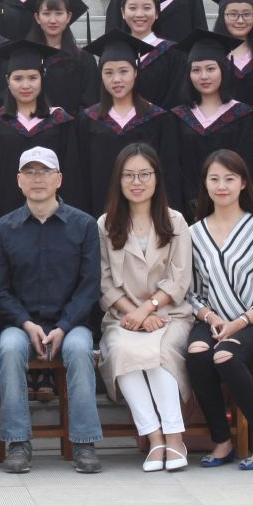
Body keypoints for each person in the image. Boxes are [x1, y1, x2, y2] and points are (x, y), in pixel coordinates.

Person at [0, 146, 104, 474]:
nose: (37, 179)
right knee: (10, 348)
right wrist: (26, 324)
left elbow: (89, 286)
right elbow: (0, 290)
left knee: (79, 349)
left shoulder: (83, 225)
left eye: (44, 172)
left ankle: (84, 443)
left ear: (59, 179)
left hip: (71, 323)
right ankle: (18, 443)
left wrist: (64, 326)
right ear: (19, 181)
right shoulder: (4, 228)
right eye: (29, 172)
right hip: (22, 324)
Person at [183, 150, 253, 471]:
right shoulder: (193, 233)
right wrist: (211, 317)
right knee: (197, 352)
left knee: (224, 355)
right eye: (214, 179)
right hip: (213, 320)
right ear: (205, 184)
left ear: (243, 183)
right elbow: (190, 293)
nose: (222, 186)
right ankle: (222, 441)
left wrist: (238, 323)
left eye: (229, 179)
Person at [98, 143, 195, 472]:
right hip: (122, 316)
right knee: (121, 351)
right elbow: (105, 282)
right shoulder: (106, 224)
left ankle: (175, 437)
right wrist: (134, 313)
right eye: (128, 175)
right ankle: (154, 438)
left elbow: (180, 278)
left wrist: (149, 309)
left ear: (156, 178)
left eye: (144, 174)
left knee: (160, 353)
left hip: (169, 314)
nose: (136, 182)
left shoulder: (175, 221)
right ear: (118, 180)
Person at [172, 31, 253, 220]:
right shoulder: (178, 117)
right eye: (196, 70)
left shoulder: (242, 115)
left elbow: (249, 166)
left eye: (211, 69)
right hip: (189, 211)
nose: (203, 76)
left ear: (223, 70)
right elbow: (176, 167)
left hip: (234, 208)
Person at [77, 33, 182, 216]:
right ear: (101, 76)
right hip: (101, 214)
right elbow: (82, 175)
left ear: (135, 72)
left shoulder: (157, 118)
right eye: (108, 72)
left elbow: (169, 174)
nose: (116, 79)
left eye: (123, 71)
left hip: (149, 215)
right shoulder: (88, 120)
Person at [0, 41, 79, 224]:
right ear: (8, 81)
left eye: (33, 78)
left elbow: (71, 176)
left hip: (54, 218)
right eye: (18, 79)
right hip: (6, 218)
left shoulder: (60, 122)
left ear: (42, 78)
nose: (25, 85)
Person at [106, 0, 187, 107]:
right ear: (123, 12)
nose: (139, 14)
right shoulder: (112, 52)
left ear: (157, 13)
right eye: (132, 8)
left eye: (147, 8)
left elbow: (177, 99)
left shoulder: (173, 53)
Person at [24, 0, 96, 116]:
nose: (53, 20)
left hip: (74, 127)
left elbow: (91, 103)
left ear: (68, 17)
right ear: (37, 18)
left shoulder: (83, 59)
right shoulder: (26, 57)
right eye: (46, 14)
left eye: (59, 13)